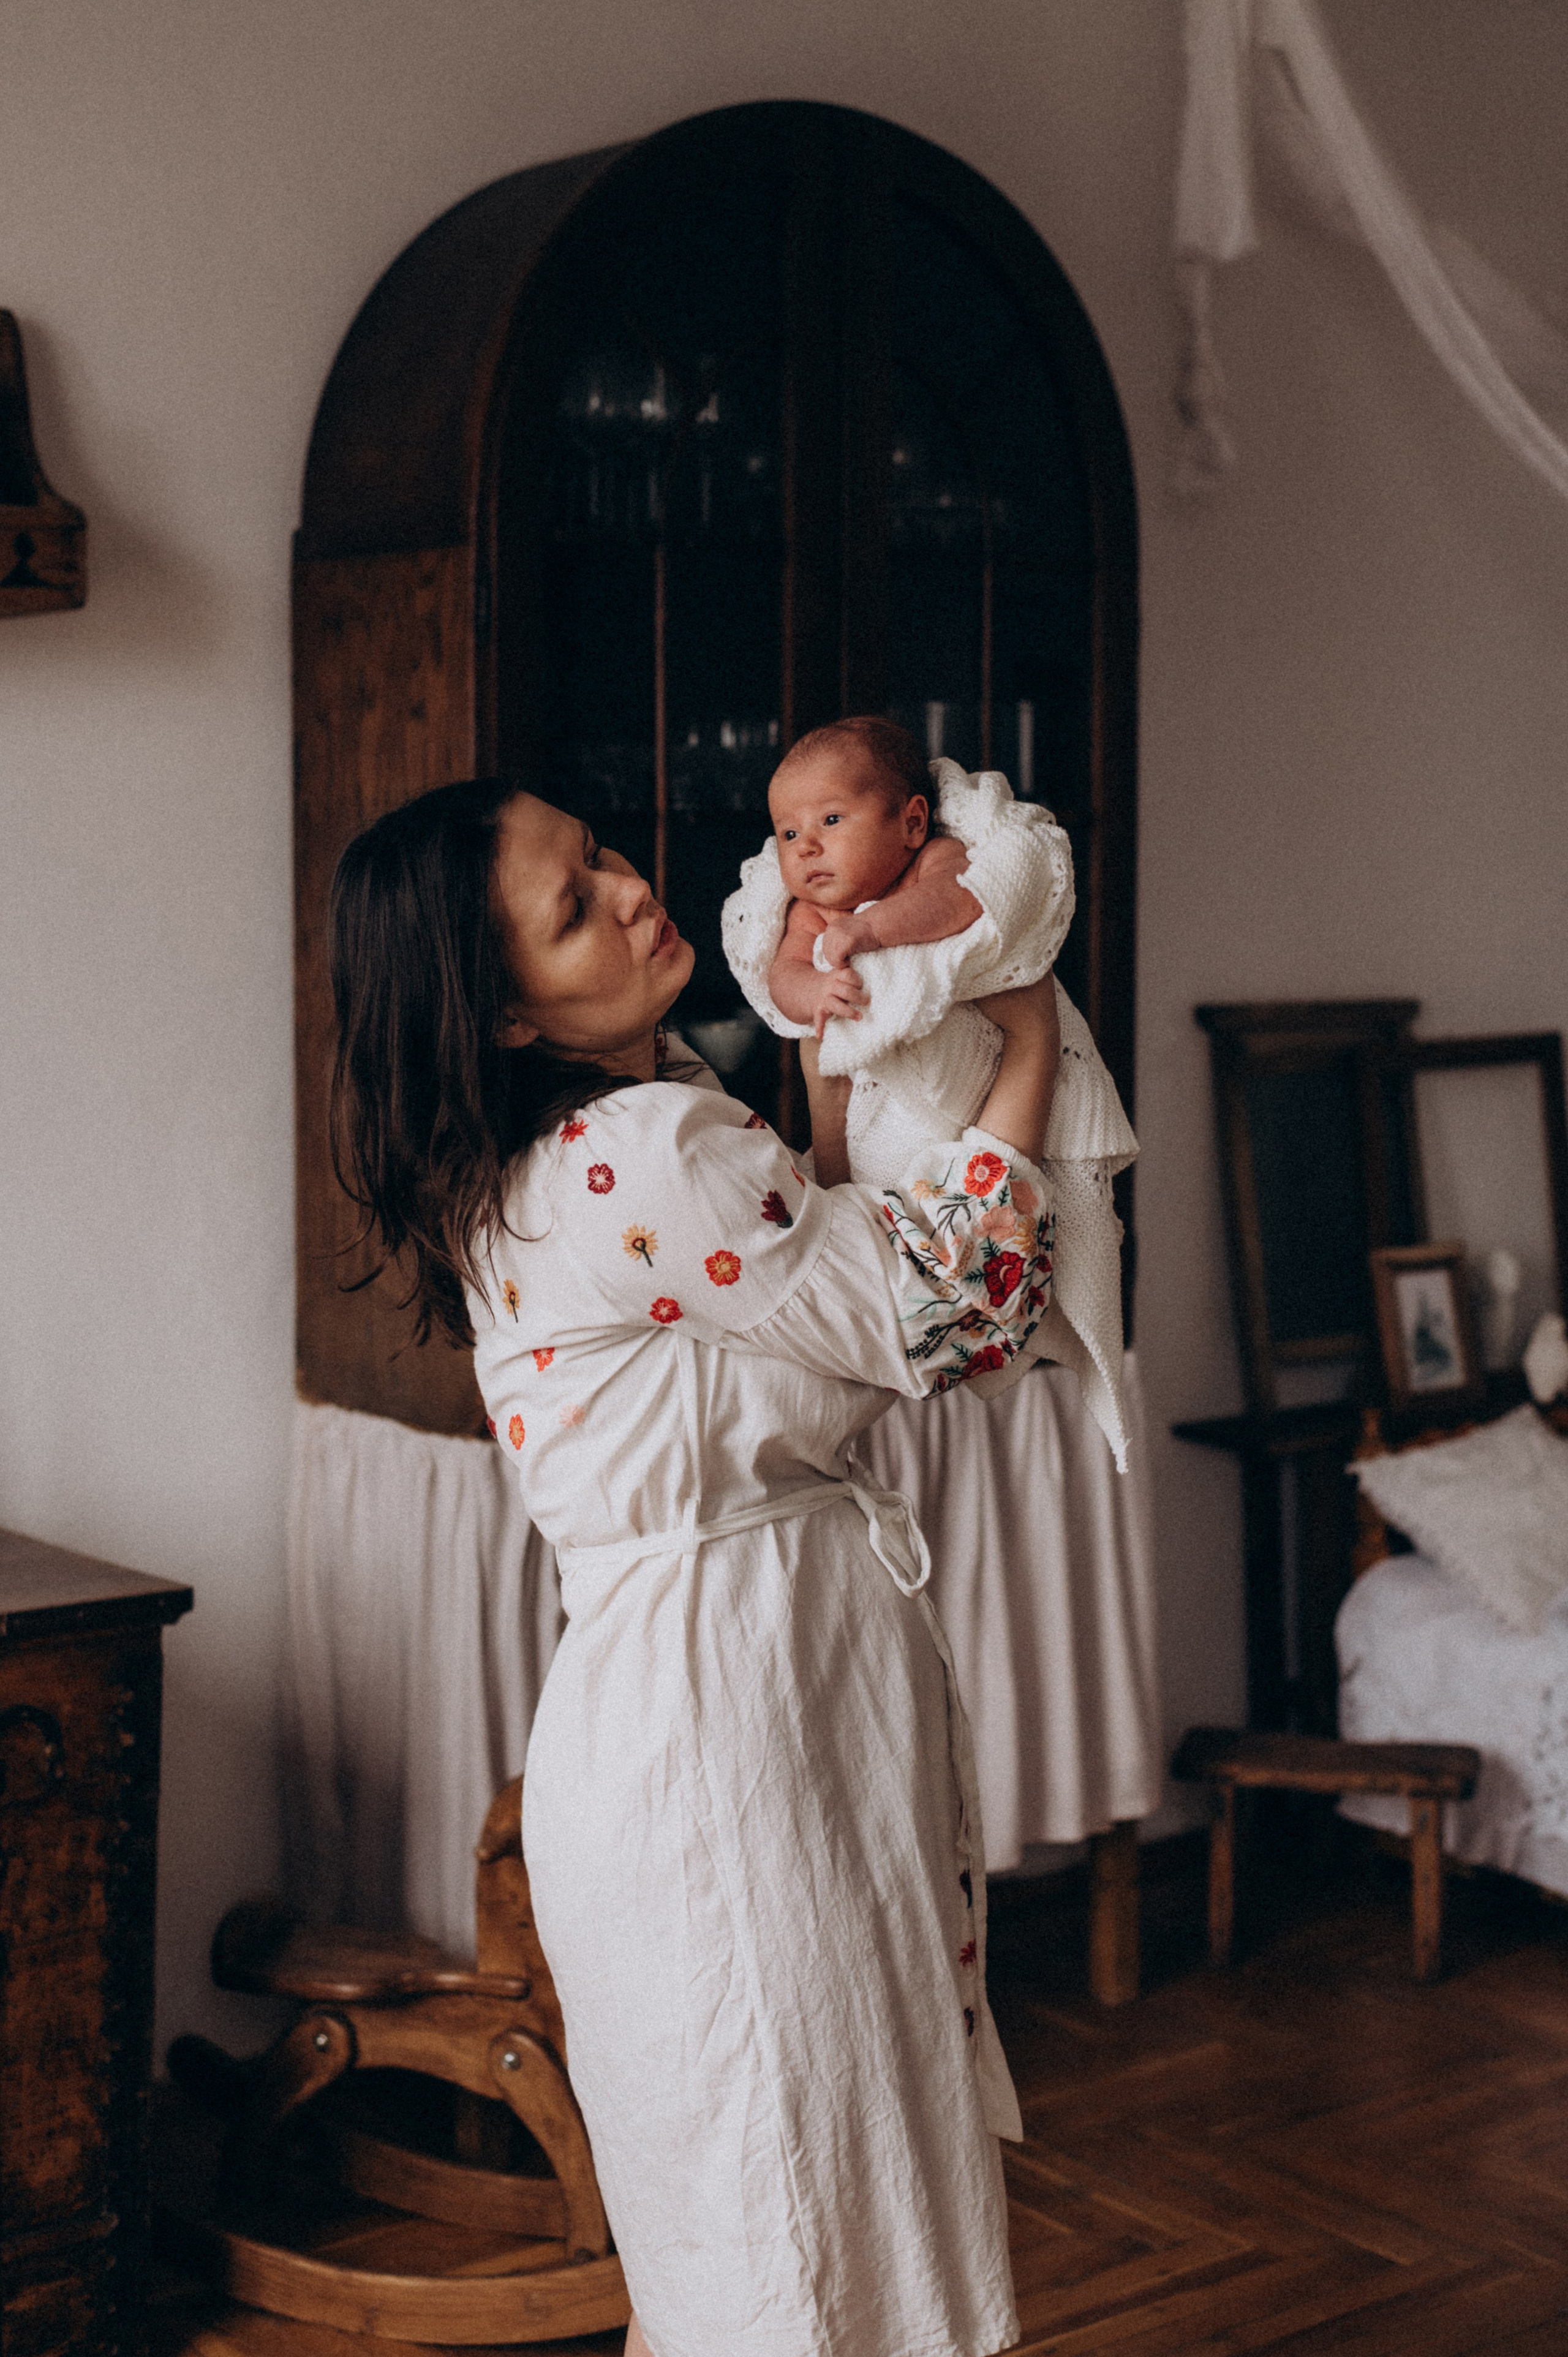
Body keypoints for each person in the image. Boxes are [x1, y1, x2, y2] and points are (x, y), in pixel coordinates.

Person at [330, 777, 1064, 2357]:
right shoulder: (639, 1145)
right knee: (789, 2236)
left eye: (594, 854)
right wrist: (1027, 1039)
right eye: (569, 906)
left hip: (727, 1697)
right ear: (508, 1013)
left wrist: (817, 1069)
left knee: (767, 2235)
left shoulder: (589, 1137)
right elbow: (951, 1312)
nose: (626, 888)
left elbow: (813, 1302)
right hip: (732, 1736)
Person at [725, 715, 1139, 1464]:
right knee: (886, 1216)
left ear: (912, 822)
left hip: (975, 1091)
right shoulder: (807, 912)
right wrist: (812, 991)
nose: (806, 847)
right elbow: (782, 975)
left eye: (829, 819)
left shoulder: (938, 861)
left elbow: (962, 908)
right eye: (786, 833)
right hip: (877, 1129)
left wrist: (873, 932)